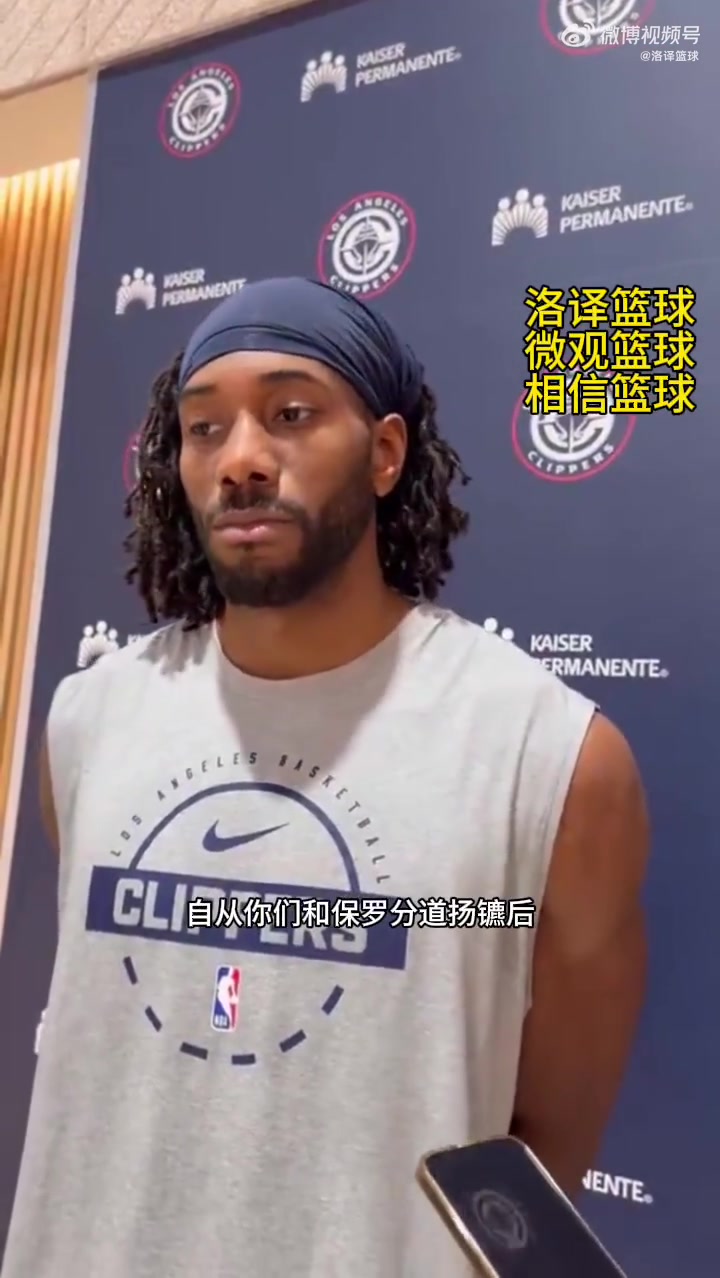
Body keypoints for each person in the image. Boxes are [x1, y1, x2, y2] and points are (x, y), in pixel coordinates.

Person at [3, 277, 649, 1278]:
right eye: (205, 429)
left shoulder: (550, 756)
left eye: (291, 415)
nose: (241, 459)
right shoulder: (90, 720)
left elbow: (543, 1149)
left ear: (386, 454)